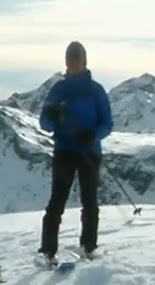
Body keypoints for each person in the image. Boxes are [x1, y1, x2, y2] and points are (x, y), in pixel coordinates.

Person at [38, 40, 113, 264]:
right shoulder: (59, 90)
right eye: (71, 60)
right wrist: (52, 117)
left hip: (88, 151)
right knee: (57, 202)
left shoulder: (95, 91)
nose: (73, 64)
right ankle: (48, 251)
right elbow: (44, 122)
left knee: (89, 201)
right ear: (66, 62)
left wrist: (93, 135)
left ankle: (88, 246)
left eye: (76, 60)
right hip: (65, 151)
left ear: (84, 61)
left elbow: (107, 123)